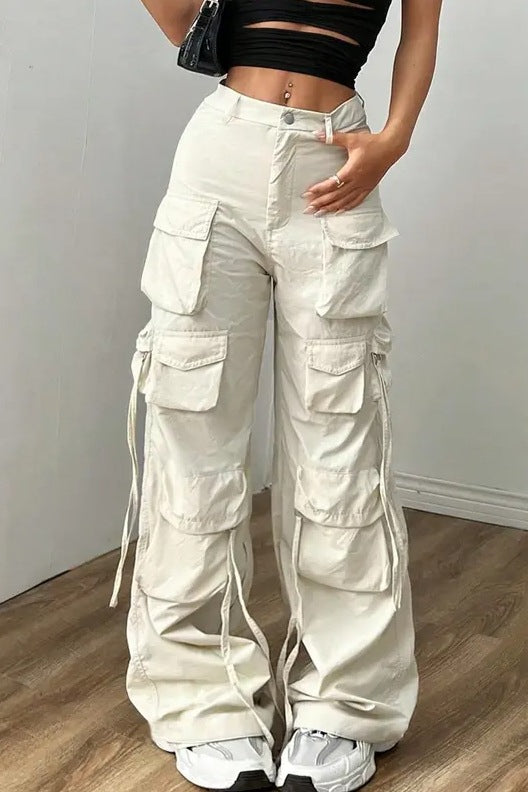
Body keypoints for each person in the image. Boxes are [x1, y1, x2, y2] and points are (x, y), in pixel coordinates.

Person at [110, 1, 442, 790]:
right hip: (219, 157)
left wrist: (394, 139)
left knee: (341, 444)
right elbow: (184, 24)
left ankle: (346, 702)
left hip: (335, 159)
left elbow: (421, 32)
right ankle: (202, 700)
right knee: (193, 434)